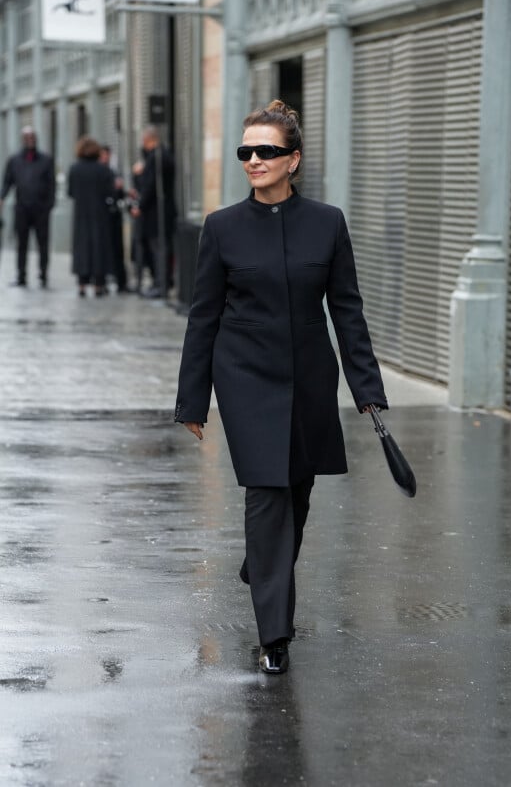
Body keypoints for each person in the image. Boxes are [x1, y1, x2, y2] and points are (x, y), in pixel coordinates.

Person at [175, 100, 388, 675]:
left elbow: (346, 309)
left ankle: (262, 564)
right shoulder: (221, 228)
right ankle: (275, 636)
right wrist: (193, 399)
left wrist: (366, 386)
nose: (254, 160)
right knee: (267, 493)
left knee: (296, 491)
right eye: (246, 151)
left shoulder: (327, 222)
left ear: (293, 160)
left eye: (266, 151)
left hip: (310, 376)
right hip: (244, 377)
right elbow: (204, 316)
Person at [0, 126, 55, 288]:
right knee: (21, 244)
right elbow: (7, 182)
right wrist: (2, 198)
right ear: (23, 140)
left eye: (32, 137)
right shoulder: (14, 161)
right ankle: (21, 275)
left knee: (43, 244)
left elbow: (51, 185)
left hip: (41, 210)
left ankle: (43, 274)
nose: (30, 140)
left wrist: (49, 206)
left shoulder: (46, 160)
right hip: (22, 209)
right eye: (27, 137)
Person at [131, 126, 177, 297]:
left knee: (159, 248)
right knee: (158, 247)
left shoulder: (156, 158)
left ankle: (161, 283)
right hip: (159, 211)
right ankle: (160, 282)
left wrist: (139, 206)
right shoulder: (161, 155)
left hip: (157, 213)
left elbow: (149, 185)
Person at [68, 136, 115, 298]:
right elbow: (111, 192)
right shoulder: (103, 170)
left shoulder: (75, 169)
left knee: (82, 249)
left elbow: (70, 192)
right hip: (99, 215)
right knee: (98, 249)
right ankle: (98, 284)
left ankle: (82, 283)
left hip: (81, 215)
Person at [99, 145, 129, 293]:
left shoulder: (112, 171)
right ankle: (103, 281)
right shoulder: (99, 172)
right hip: (102, 219)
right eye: (103, 155)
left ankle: (121, 282)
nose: (105, 157)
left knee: (118, 250)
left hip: (114, 217)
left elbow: (118, 193)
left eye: (107, 155)